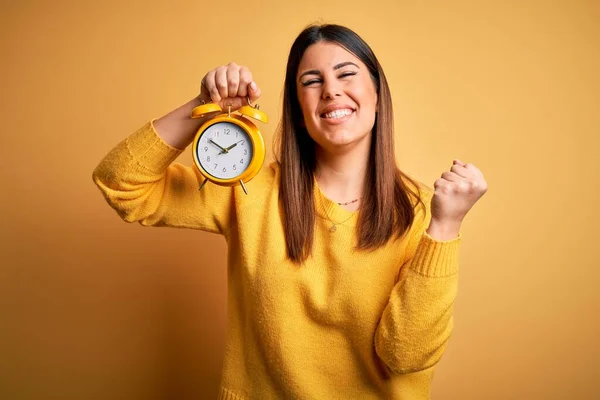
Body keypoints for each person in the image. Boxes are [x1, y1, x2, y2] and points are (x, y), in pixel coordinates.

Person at [93, 24, 487, 400]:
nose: (331, 91)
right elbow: (121, 183)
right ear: (299, 108)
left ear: (378, 95)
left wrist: (446, 226)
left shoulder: (422, 211)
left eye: (346, 74)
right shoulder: (248, 192)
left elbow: (406, 356)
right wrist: (203, 107)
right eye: (312, 81)